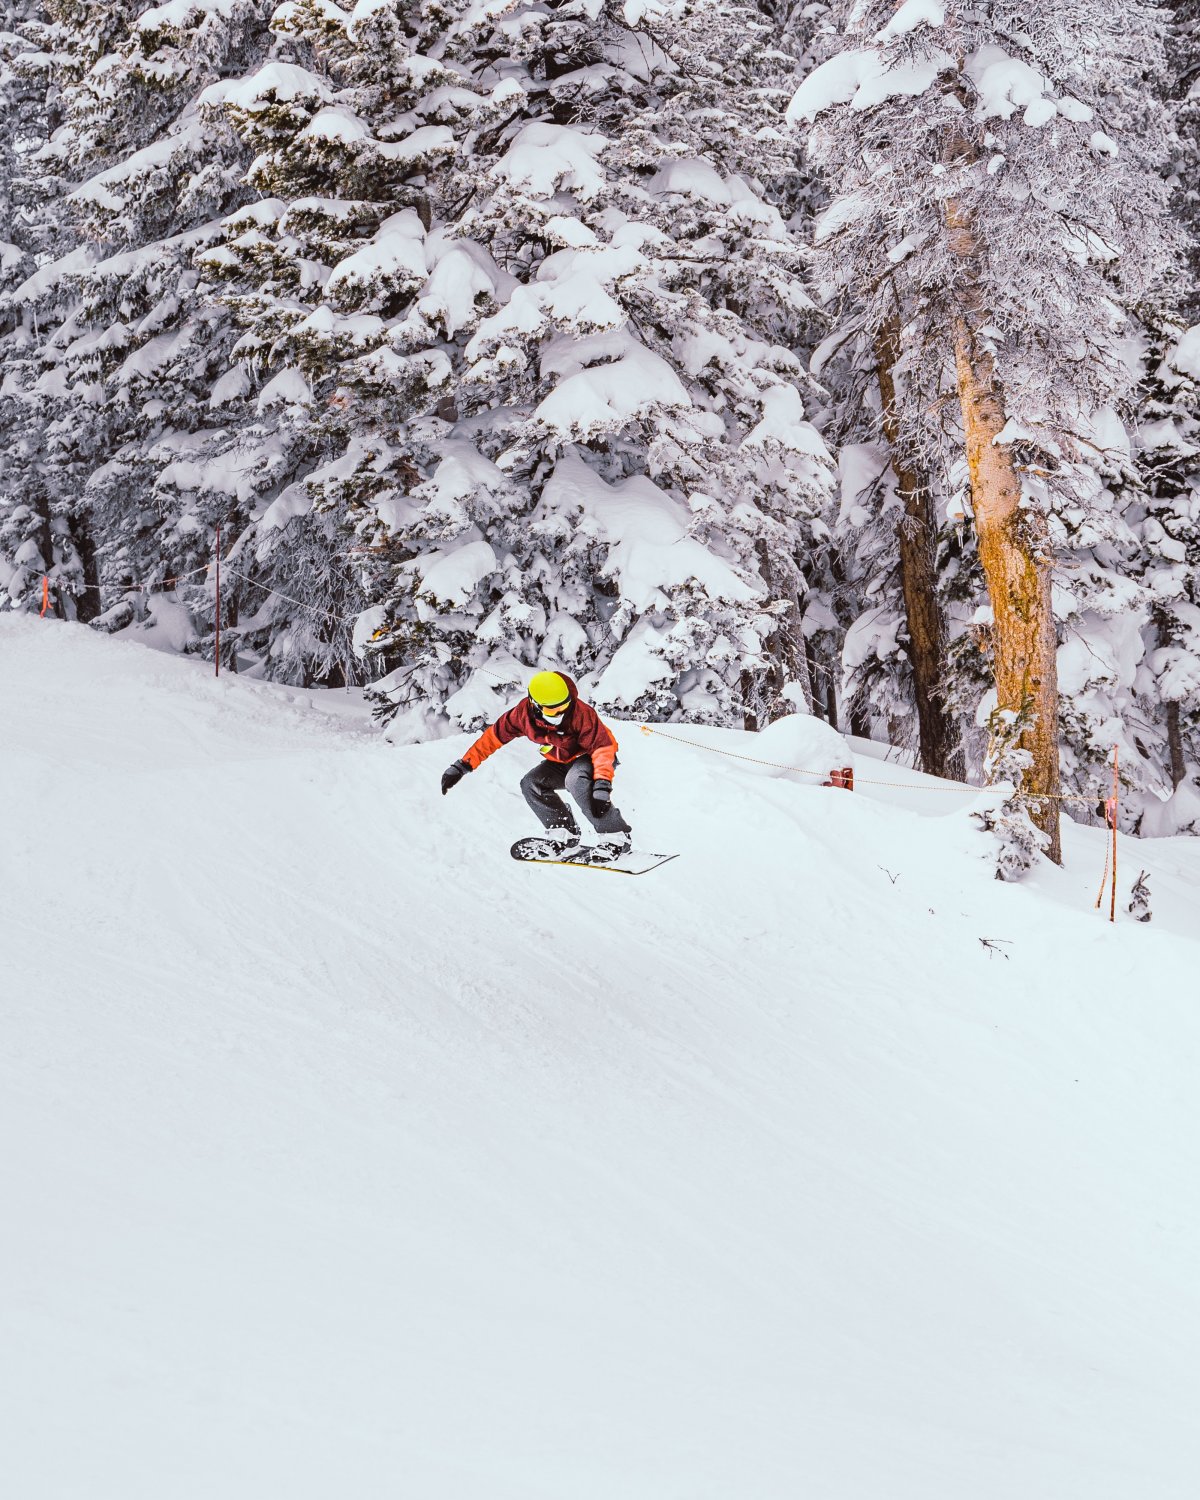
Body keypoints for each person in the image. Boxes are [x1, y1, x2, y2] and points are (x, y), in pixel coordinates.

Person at [441, 670, 633, 858]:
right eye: (553, 709)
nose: (560, 713)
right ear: (535, 705)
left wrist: (601, 786)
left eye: (563, 706)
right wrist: (462, 766)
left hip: (594, 757)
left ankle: (615, 837)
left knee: (576, 780)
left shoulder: (580, 713)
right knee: (531, 783)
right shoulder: (522, 716)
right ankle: (565, 834)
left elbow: (602, 748)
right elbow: (492, 738)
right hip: (562, 759)